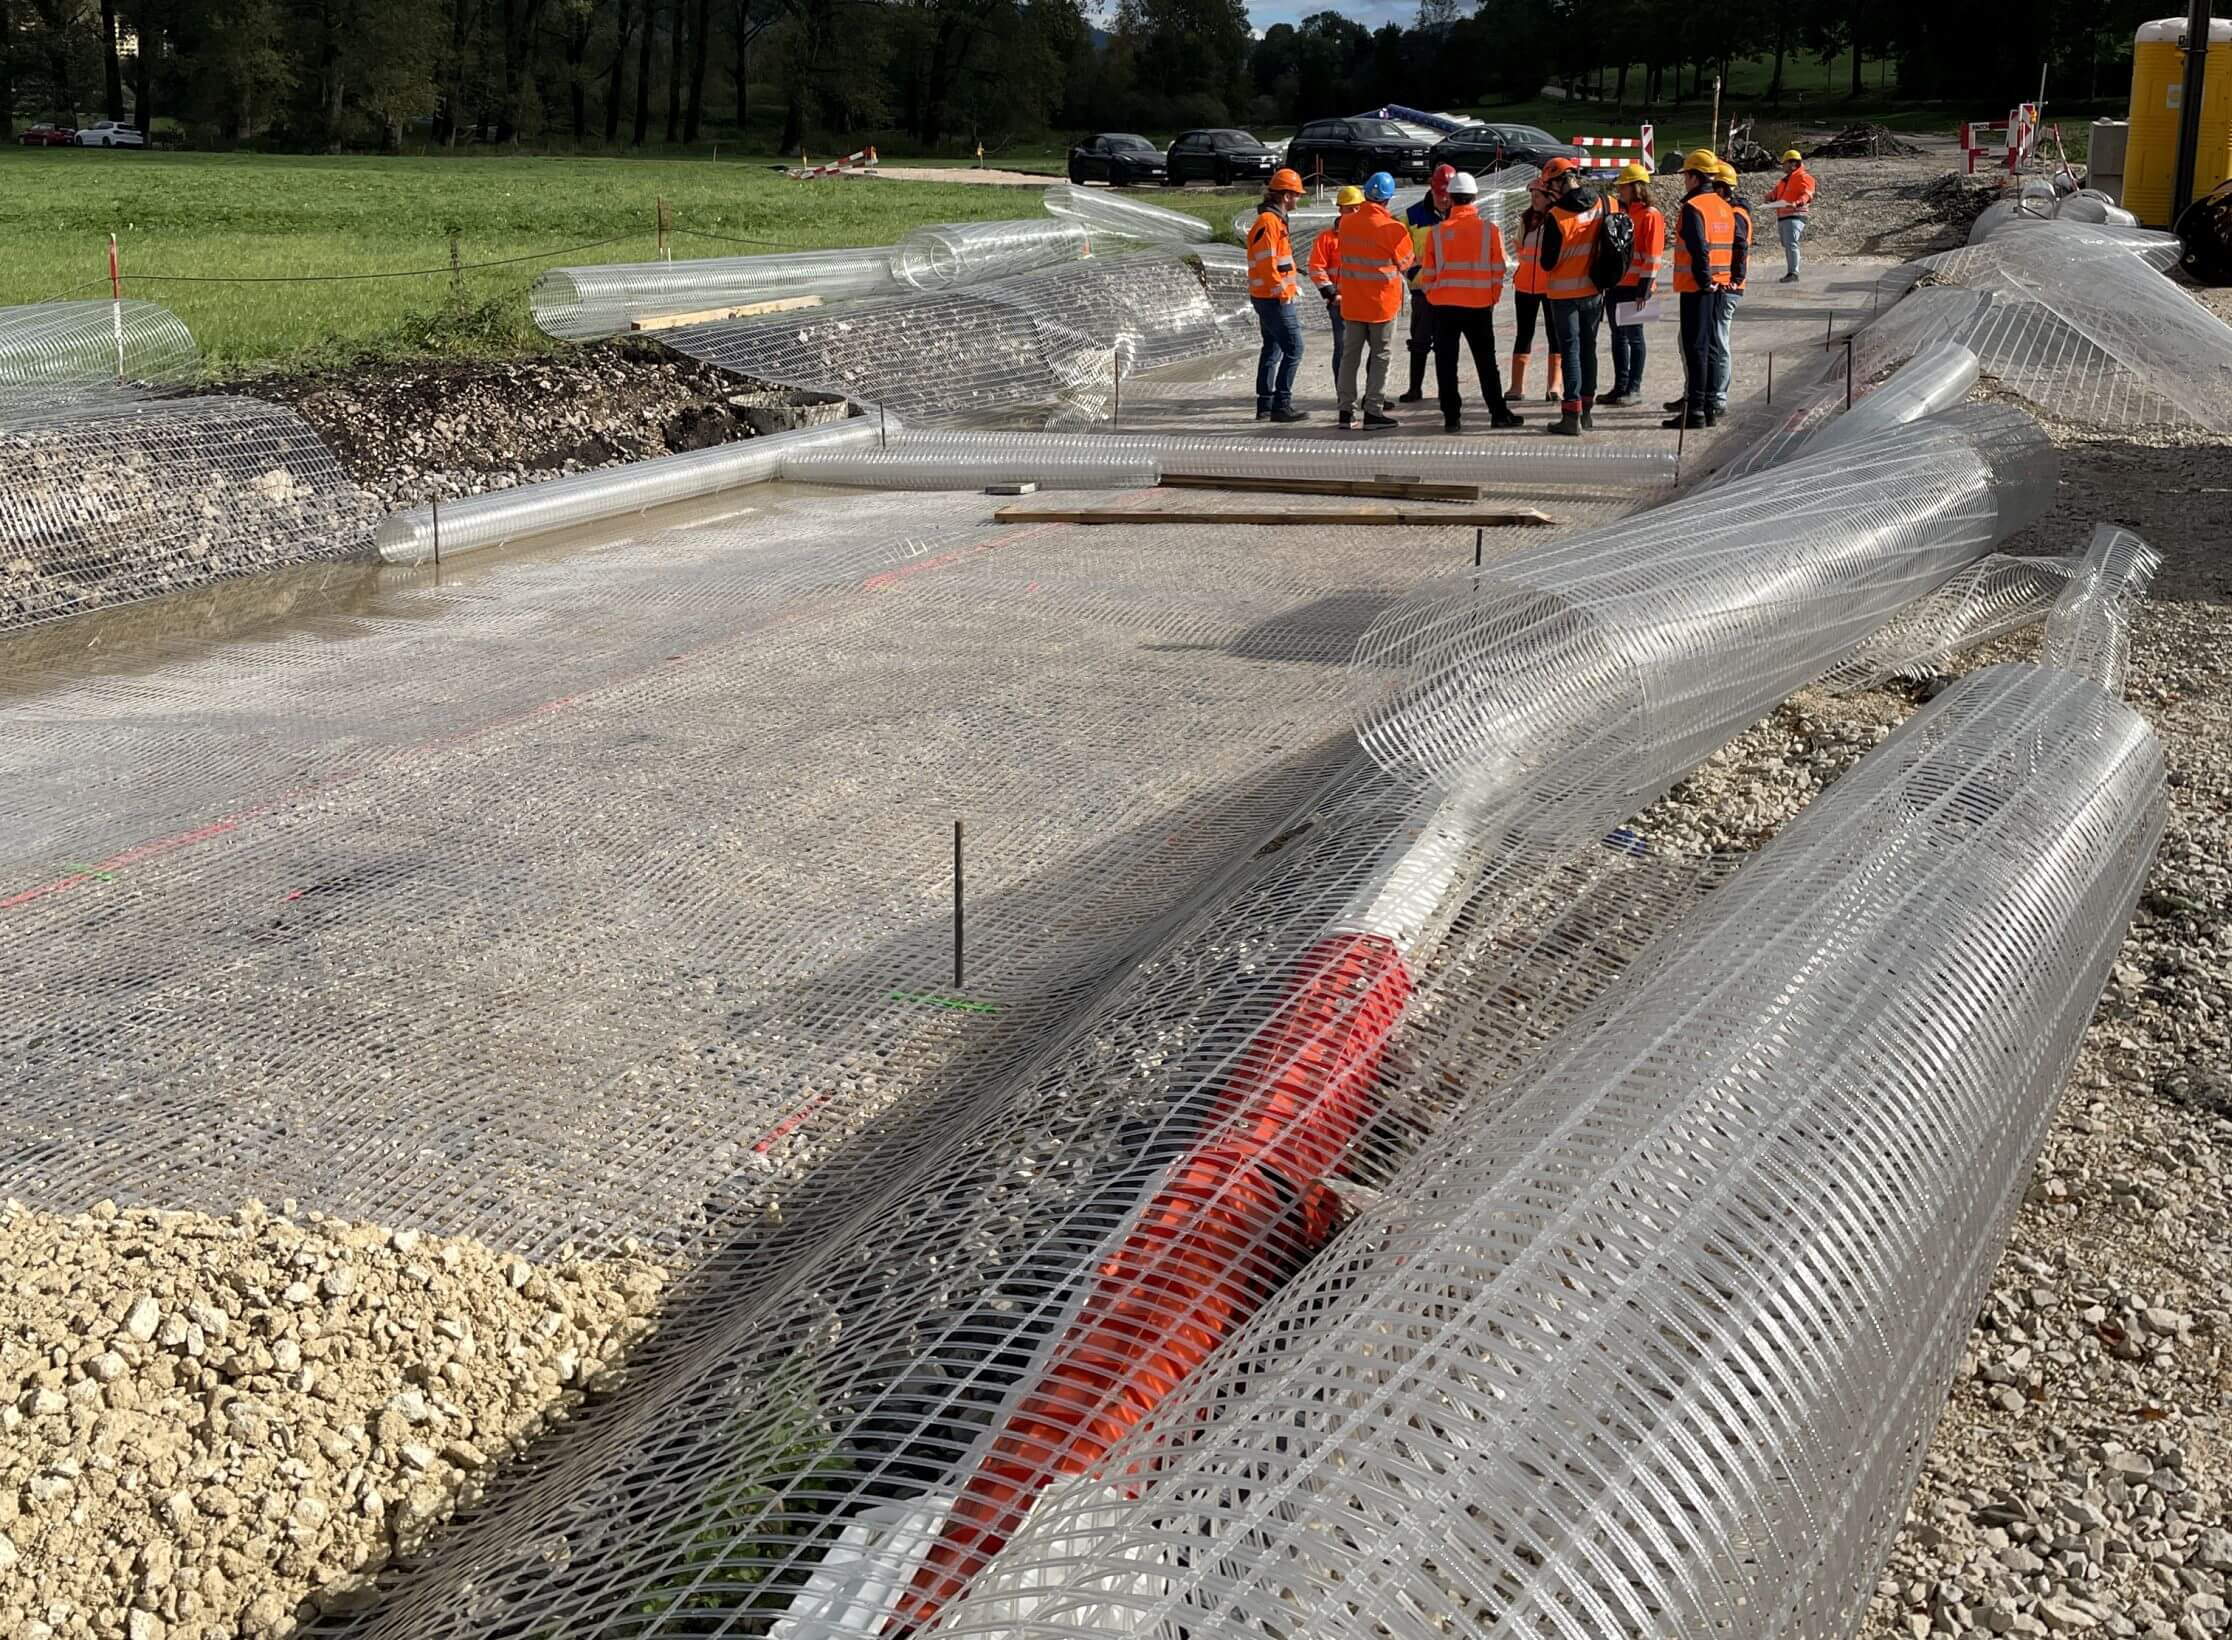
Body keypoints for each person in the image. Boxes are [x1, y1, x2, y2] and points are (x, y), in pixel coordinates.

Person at [1415, 171, 1525, 432]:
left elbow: (1427, 273)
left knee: (1445, 362)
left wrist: (1433, 295)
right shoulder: (1489, 230)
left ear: (1450, 198)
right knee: (1487, 361)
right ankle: (1498, 412)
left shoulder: (1437, 232)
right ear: (1474, 198)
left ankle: (1451, 417)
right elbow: (1499, 269)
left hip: (1443, 307)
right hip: (1478, 306)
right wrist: (1492, 297)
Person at [1334, 170, 1413, 430]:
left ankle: (1345, 411)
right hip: (1381, 304)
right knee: (1380, 356)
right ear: (1388, 200)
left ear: (1366, 194)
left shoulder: (1346, 223)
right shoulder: (1393, 228)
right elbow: (1405, 263)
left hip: (1353, 301)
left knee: (1350, 357)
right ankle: (1373, 411)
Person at [1533, 156, 1605, 436]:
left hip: (1564, 295)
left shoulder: (1556, 216)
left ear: (1558, 182)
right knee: (1589, 349)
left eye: (1550, 185)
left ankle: (1570, 416)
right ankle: (1587, 411)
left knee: (1571, 352)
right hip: (1593, 290)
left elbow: (1548, 263)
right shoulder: (1600, 203)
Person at [1662, 148, 1734, 430]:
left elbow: (1698, 249)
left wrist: (1703, 280)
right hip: (1719, 284)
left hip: (1697, 286)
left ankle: (1695, 411)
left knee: (1695, 349)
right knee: (1710, 347)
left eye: (1686, 176)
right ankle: (1707, 407)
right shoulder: (1723, 206)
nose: (1684, 181)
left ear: (1694, 177)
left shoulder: (1694, 208)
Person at [1245, 166, 1310, 423]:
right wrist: (1281, 292)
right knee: (1295, 348)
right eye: (1296, 195)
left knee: (1272, 348)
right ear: (1285, 196)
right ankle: (1282, 405)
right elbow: (1267, 262)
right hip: (1273, 298)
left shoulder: (1274, 220)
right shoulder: (1269, 222)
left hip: (1268, 295)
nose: (1298, 199)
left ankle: (1265, 405)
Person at [1599, 161, 1664, 407]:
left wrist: (1644, 289)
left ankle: (1633, 388)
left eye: (1624, 187)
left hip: (1637, 287)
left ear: (1636, 188)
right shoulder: (1625, 214)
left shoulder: (1650, 215)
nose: (1620, 191)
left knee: (1634, 337)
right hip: (1617, 285)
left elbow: (1654, 256)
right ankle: (1620, 386)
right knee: (1617, 337)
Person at [1399, 163, 1455, 403]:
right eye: (1441, 196)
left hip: (1451, 293)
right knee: (1419, 342)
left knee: (1447, 345)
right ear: (1432, 189)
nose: (1444, 201)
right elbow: (1402, 254)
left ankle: (1447, 390)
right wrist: (1416, 277)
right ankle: (1415, 388)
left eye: (1448, 196)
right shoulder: (1411, 217)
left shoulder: (1461, 213)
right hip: (1423, 292)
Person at [1308, 185, 1366, 395]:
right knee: (1343, 350)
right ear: (1341, 209)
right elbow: (1316, 267)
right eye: (1351, 208)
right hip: (1340, 303)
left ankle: (1372, 395)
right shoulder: (1328, 238)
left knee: (1375, 352)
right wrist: (1332, 293)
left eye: (1359, 208)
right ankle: (1344, 396)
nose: (1356, 212)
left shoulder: (1367, 235)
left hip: (1366, 302)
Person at [1507, 179, 1560, 408]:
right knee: (1523, 334)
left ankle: (1554, 385)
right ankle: (1517, 386)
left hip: (1550, 287)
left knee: (1554, 335)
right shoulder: (1526, 220)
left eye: (1538, 196)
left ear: (1549, 197)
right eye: (1532, 196)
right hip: (1524, 287)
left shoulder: (1557, 219)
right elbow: (1520, 249)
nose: (1533, 200)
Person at [1707, 158, 1753, 418]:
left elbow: (1739, 248)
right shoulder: (1732, 212)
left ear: (1723, 189)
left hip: (1728, 288)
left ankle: (1718, 395)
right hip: (1724, 285)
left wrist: (1735, 278)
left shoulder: (1735, 215)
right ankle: (1703, 392)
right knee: (1711, 338)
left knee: (1718, 339)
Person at [1765, 148, 1816, 282]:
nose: (1783, 166)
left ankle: (1793, 273)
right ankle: (1792, 272)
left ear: (1793, 164)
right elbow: (1775, 194)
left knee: (1791, 243)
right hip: (1783, 216)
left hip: (1795, 215)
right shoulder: (1784, 181)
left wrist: (1797, 203)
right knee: (1787, 244)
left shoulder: (1804, 177)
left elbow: (1807, 194)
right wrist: (1769, 197)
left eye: (1785, 163)